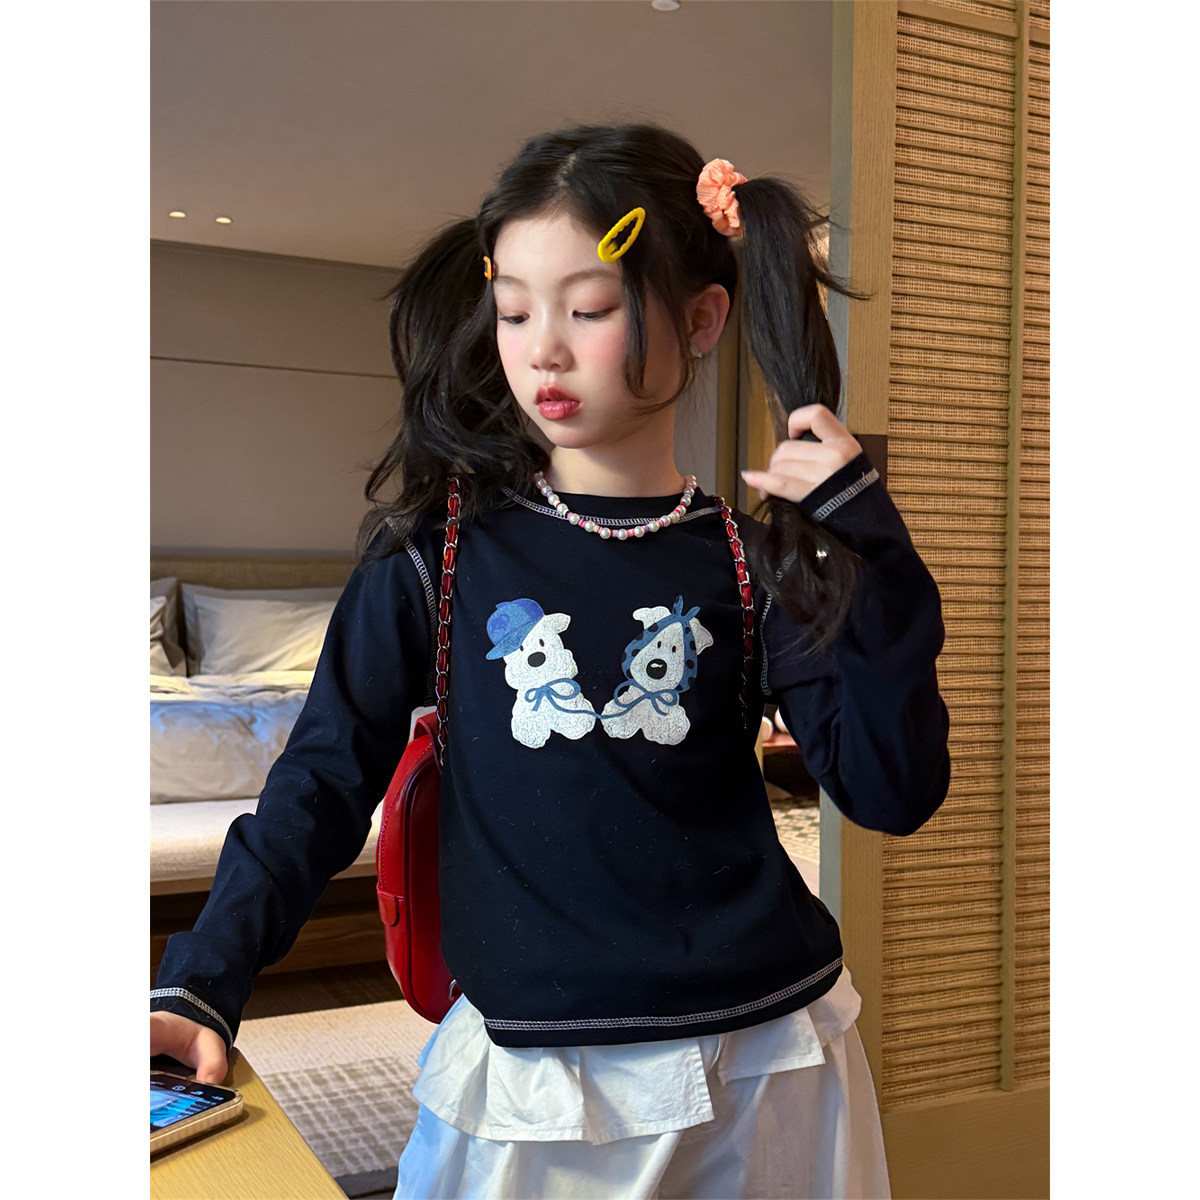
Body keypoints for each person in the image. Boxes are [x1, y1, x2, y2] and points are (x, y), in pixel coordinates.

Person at [151, 122, 950, 1199]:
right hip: (534, 1079)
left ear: (702, 318)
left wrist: (872, 551)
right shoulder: (433, 556)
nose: (543, 352)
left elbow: (893, 792)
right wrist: (202, 982)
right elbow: (322, 782)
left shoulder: (753, 560)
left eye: (590, 308)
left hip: (770, 1061)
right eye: (517, 310)